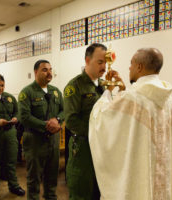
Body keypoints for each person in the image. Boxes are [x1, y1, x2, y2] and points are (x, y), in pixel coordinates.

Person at [89, 48, 172, 199]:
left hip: (141, 173)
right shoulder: (169, 100)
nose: (129, 67)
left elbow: (101, 118)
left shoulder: (133, 97)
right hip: (163, 175)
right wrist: (123, 90)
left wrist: (108, 91)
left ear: (139, 67)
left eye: (131, 63)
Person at [64, 43, 120, 200]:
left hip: (102, 147)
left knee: (99, 190)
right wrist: (96, 132)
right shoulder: (75, 86)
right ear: (87, 60)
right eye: (100, 62)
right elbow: (71, 120)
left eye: (105, 62)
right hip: (83, 148)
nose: (104, 67)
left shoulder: (102, 86)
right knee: (82, 190)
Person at [18, 60, 64, 200]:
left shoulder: (55, 91)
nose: (49, 72)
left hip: (53, 141)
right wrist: (47, 125)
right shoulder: (27, 92)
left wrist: (58, 120)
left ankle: (51, 197)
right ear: (36, 72)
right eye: (45, 70)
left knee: (52, 176)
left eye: (50, 69)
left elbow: (64, 110)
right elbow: (24, 117)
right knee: (34, 178)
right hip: (34, 141)